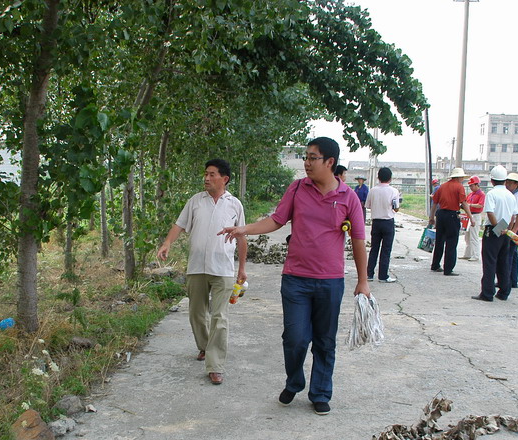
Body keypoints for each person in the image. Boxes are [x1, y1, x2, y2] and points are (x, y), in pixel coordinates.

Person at [218, 137, 370, 416]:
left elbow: (358, 240)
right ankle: (294, 381)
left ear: (330, 162)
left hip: (330, 281)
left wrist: (363, 281)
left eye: (313, 158)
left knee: (325, 340)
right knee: (295, 338)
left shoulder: (348, 197)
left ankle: (320, 392)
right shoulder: (298, 188)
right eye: (306, 157)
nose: (307, 163)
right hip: (296, 279)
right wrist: (244, 229)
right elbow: (276, 219)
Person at [157, 159, 247, 385]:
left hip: (223, 269)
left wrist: (242, 269)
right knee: (196, 313)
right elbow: (179, 225)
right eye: (206, 174)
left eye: (212, 174)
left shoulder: (234, 205)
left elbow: (242, 238)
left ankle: (215, 365)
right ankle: (205, 346)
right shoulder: (195, 201)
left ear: (224, 179)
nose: (207, 178)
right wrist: (167, 242)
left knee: (220, 316)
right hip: (197, 267)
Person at [472, 165, 518, 302]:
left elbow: (490, 212)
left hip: (493, 229)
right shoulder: (510, 195)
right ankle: (504, 292)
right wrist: (507, 230)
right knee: (503, 261)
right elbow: (513, 216)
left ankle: (487, 293)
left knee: (490, 261)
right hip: (505, 229)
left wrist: (497, 227)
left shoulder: (492, 194)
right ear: (505, 180)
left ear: (492, 180)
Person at [428, 167, 475, 276]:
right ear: (459, 177)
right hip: (452, 215)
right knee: (451, 242)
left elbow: (435, 203)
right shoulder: (459, 187)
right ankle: (448, 269)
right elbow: (464, 203)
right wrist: (471, 217)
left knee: (439, 241)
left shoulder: (442, 186)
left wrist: (431, 217)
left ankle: (435, 265)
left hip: (441, 215)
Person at [366, 167, 400, 283]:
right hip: (388, 222)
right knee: (386, 250)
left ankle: (369, 274)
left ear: (378, 177)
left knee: (374, 248)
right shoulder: (394, 191)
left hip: (376, 222)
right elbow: (396, 208)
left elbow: (368, 206)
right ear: (390, 178)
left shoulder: (372, 190)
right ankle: (383, 276)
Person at [460, 175, 485, 261]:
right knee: (467, 236)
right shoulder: (470, 194)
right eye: (470, 186)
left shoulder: (481, 194)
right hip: (468, 215)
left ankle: (476, 255)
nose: (470, 187)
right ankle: (468, 254)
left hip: (476, 215)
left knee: (474, 236)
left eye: (472, 185)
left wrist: (469, 205)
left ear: (477, 184)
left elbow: (480, 205)